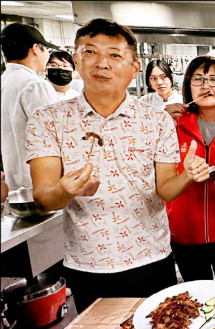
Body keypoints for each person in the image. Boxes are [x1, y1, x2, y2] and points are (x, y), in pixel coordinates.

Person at [27, 18, 187, 312]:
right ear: (76, 59)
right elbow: (44, 197)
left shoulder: (157, 120)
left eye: (115, 55)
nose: (102, 63)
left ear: (134, 68)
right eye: (90, 52)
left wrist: (188, 173)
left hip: (151, 257)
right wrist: (65, 189)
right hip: (87, 262)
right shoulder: (46, 120)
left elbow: (165, 188)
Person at [167, 56, 215, 286]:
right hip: (184, 231)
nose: (206, 86)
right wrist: (160, 123)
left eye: (214, 79)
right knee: (195, 297)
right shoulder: (172, 125)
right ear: (188, 85)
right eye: (198, 79)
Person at [1, 23, 59, 192]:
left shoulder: (5, 82)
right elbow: (55, 134)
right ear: (35, 48)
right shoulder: (34, 86)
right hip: (42, 183)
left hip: (14, 183)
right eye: (46, 49)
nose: (47, 54)